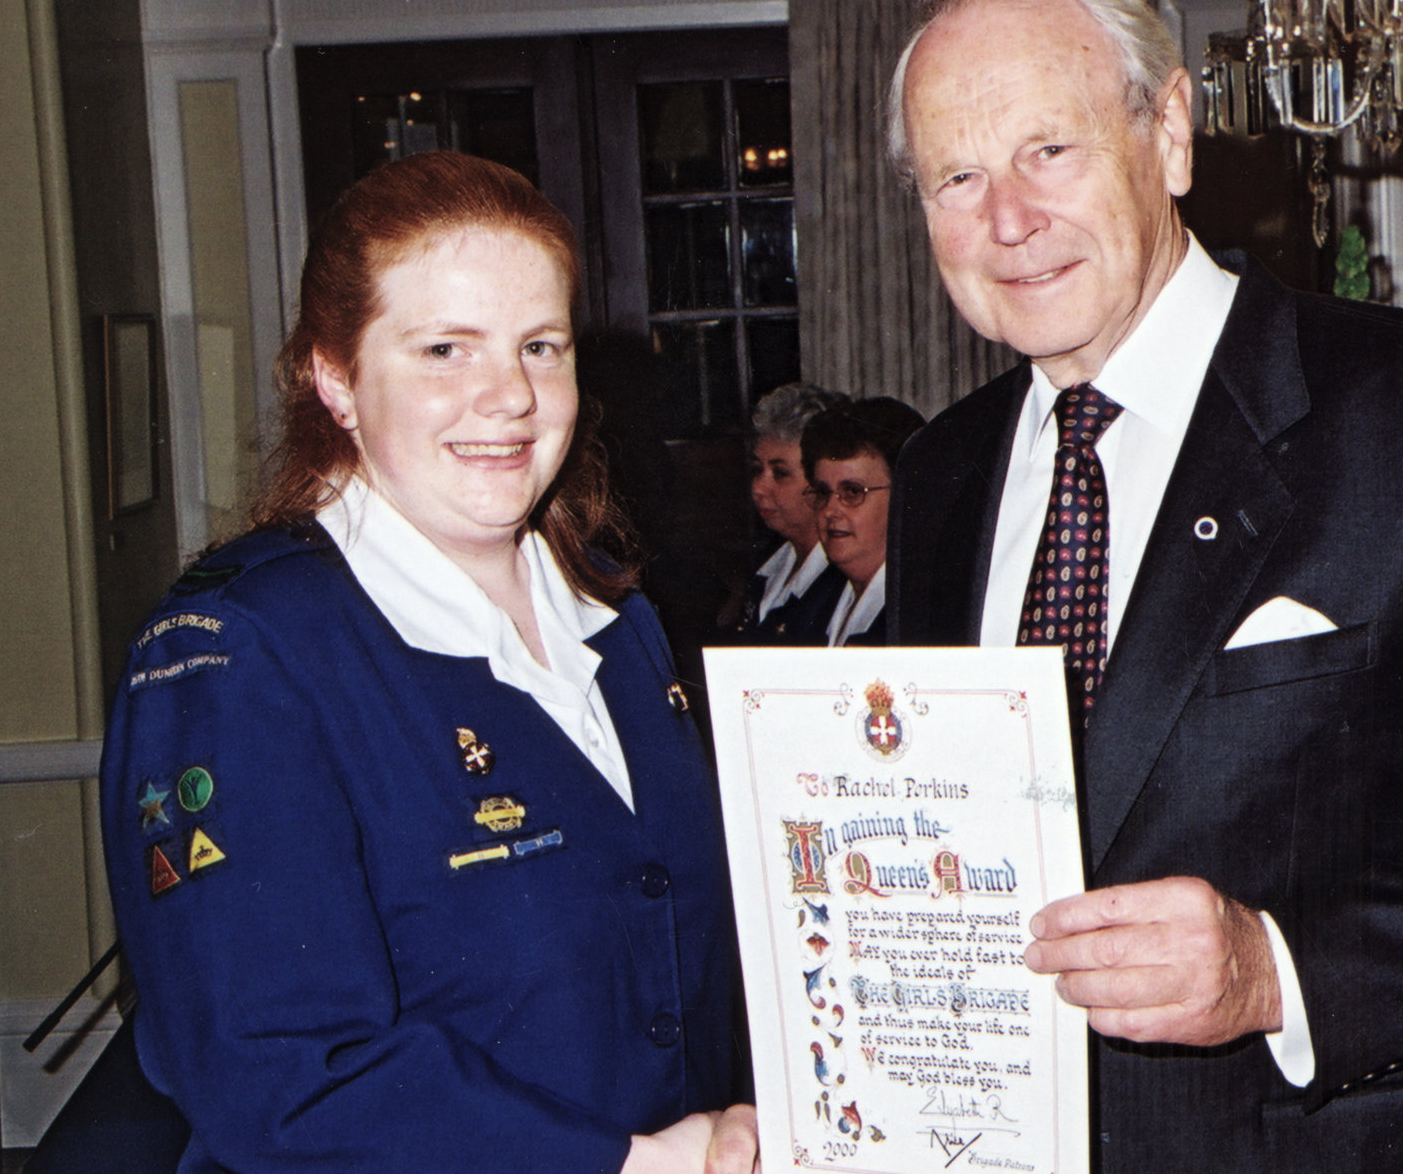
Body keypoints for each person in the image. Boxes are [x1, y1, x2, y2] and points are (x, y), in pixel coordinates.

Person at [882, 0, 1403, 1171]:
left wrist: (1274, 969)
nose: (1006, 221)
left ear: (1169, 134)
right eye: (956, 175)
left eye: (1050, 152)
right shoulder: (938, 479)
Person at [100, 152, 757, 1174]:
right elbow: (275, 1071)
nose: (508, 397)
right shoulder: (238, 648)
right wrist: (626, 1161)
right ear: (335, 378)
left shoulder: (613, 617)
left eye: (540, 345)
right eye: (444, 349)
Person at [798, 396, 924, 645]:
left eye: (852, 492)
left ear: (904, 497)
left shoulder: (919, 615)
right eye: (823, 492)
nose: (830, 510)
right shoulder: (815, 601)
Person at [729, 382, 847, 644]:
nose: (759, 488)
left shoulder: (844, 579)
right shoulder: (768, 565)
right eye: (757, 469)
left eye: (780, 473)